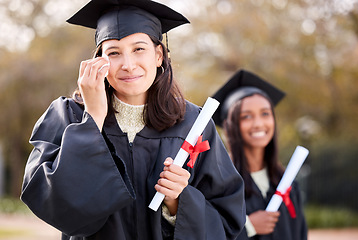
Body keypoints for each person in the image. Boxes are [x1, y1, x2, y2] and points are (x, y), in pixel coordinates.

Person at [20, 0, 246, 239]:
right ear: (99, 61)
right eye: (114, 53)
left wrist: (179, 203)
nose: (128, 65)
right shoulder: (68, 117)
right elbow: (53, 205)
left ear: (159, 55)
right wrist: (92, 120)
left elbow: (227, 220)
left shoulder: (193, 124)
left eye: (139, 49)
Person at [212, 70, 307, 240]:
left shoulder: (287, 183)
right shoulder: (219, 184)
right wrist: (247, 227)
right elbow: (204, 233)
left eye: (265, 114)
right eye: (246, 116)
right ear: (229, 125)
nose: (258, 124)